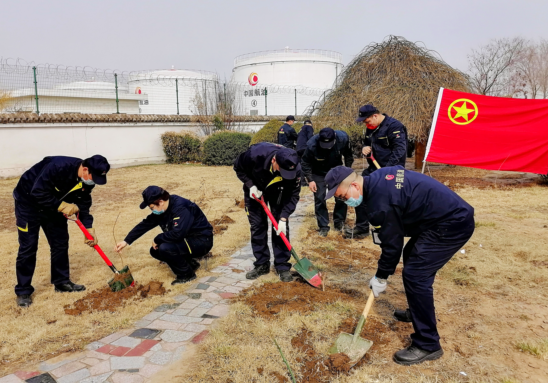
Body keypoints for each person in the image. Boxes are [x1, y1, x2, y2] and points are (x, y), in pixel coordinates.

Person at [324, 165, 474, 366]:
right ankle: (417, 311)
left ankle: (428, 344)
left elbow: (392, 246)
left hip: (452, 223)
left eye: (342, 197)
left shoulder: (380, 204)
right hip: (439, 218)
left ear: (354, 185)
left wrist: (381, 276)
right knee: (412, 256)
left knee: (415, 275)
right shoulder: (376, 179)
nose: (345, 202)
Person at [13, 155, 110, 307]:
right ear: (85, 169)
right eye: (94, 177)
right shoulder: (58, 166)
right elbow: (37, 191)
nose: (94, 181)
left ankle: (61, 282)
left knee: (60, 243)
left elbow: (83, 203)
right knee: (28, 247)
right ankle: (23, 291)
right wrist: (61, 205)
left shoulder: (87, 180)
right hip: (28, 205)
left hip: (53, 208)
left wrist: (89, 228)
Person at [114, 186, 213, 285]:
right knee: (155, 250)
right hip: (186, 239)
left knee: (165, 248)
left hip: (201, 240)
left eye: (152, 207)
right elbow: (145, 224)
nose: (152, 210)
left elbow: (178, 233)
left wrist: (158, 238)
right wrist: (126, 241)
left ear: (160, 202)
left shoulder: (180, 207)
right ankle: (190, 265)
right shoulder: (163, 209)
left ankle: (187, 275)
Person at [233, 143, 301, 282]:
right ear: (274, 160)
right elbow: (238, 168)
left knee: (280, 229)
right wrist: (251, 186)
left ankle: (282, 266)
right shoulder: (254, 154)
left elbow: (293, 196)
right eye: (281, 170)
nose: (285, 174)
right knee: (258, 226)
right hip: (256, 190)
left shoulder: (295, 168)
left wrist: (283, 218)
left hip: (279, 192)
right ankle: (262, 263)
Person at [344, 104, 408, 239]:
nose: (366, 124)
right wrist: (365, 149)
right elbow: (367, 143)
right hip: (373, 168)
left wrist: (387, 170)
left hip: (393, 171)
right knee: (358, 191)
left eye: (367, 121)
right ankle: (362, 228)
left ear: (375, 116)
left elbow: (399, 151)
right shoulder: (370, 127)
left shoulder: (395, 127)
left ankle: (389, 230)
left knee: (388, 201)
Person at [301, 127, 353, 236]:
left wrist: (348, 171)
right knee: (320, 197)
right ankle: (323, 226)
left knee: (341, 196)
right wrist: (310, 180)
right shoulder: (311, 145)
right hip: (318, 172)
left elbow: (348, 155)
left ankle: (339, 223)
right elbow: (305, 163)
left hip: (336, 170)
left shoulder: (343, 139)